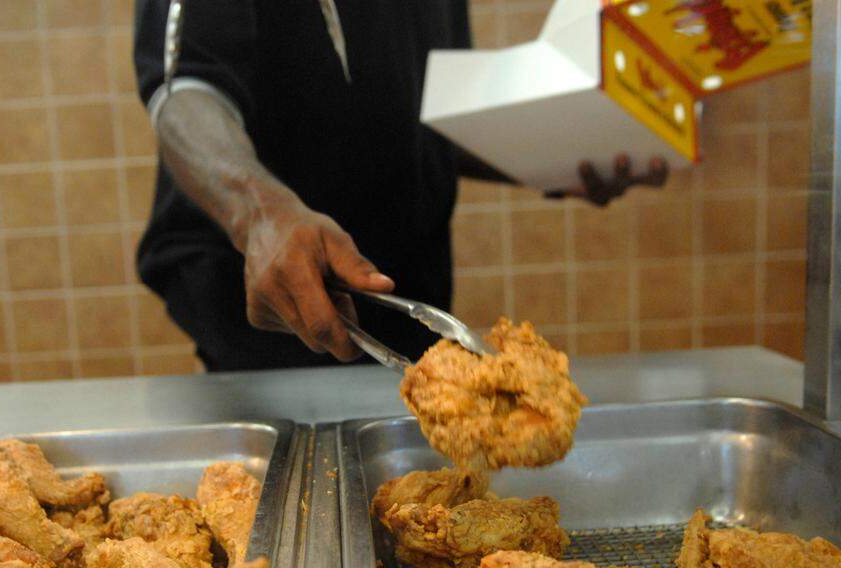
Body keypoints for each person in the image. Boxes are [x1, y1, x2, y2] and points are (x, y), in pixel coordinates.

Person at [133, 1, 667, 371]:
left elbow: (418, 118)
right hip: (274, 315)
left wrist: (558, 153)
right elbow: (183, 90)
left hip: (407, 299)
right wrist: (262, 214)